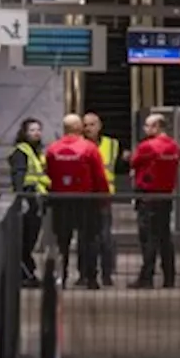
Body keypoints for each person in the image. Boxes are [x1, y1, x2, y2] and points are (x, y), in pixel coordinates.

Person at [42, 114, 110, 289]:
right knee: (89, 240)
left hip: (60, 201)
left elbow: (48, 173)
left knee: (62, 242)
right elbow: (99, 177)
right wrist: (103, 199)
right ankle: (91, 278)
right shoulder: (89, 148)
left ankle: (61, 278)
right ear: (79, 128)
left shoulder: (52, 149)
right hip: (86, 201)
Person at [128, 113, 180, 289]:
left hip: (148, 196)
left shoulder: (147, 146)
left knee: (148, 237)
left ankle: (147, 277)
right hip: (166, 196)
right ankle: (169, 277)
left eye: (148, 126)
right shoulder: (174, 147)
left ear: (157, 127)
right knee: (165, 237)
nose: (145, 129)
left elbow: (134, 163)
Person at [81, 112, 122, 287]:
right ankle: (85, 274)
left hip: (104, 196)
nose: (89, 128)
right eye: (86, 125)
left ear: (100, 126)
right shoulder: (79, 145)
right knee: (85, 237)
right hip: (84, 196)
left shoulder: (112, 144)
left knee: (105, 236)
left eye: (92, 124)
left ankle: (107, 274)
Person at [7, 118, 48, 287]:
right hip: (27, 200)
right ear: (24, 133)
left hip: (35, 200)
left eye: (38, 129)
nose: (36, 133)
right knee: (26, 240)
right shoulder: (21, 151)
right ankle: (25, 274)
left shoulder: (36, 152)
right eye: (32, 130)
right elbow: (19, 175)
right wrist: (20, 197)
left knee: (30, 239)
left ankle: (27, 272)